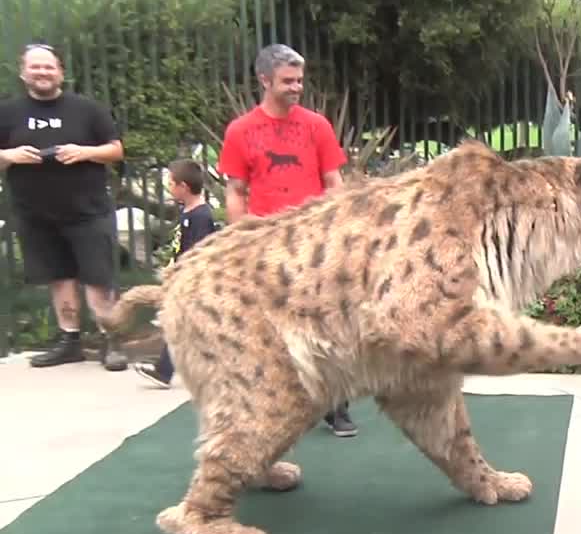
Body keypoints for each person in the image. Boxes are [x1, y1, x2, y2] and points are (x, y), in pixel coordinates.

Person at [216, 43, 356, 438]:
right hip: (266, 244)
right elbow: (235, 189)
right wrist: (240, 239)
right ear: (264, 80)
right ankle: (272, 410)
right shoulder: (241, 131)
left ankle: (337, 406)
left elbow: (333, 182)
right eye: (288, 81)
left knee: (328, 325)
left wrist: (338, 230)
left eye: (299, 80)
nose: (296, 87)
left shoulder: (317, 126)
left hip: (315, 242)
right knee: (271, 329)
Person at [0, 42, 126, 371]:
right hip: (36, 214)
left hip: (88, 211)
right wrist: (9, 156)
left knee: (98, 278)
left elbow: (115, 150)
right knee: (59, 278)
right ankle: (69, 341)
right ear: (23, 72)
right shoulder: (8, 113)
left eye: (49, 67)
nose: (42, 73)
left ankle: (109, 341)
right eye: (35, 67)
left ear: (60, 72)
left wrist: (84, 152)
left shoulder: (87, 109)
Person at [131, 159, 217, 389]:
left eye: (171, 183)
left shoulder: (201, 216)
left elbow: (199, 251)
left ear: (184, 187)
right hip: (183, 278)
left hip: (194, 281)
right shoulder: (187, 211)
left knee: (179, 326)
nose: (169, 187)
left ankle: (164, 371)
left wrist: (183, 274)